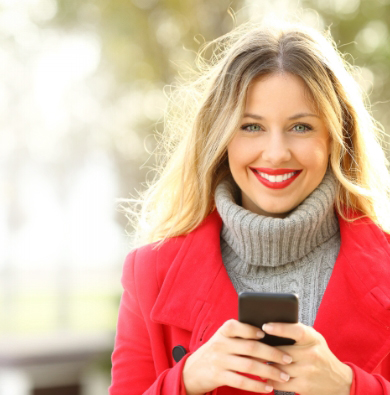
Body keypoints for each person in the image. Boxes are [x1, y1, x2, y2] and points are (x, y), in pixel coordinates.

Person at [109, 19, 390, 395]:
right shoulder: (150, 274)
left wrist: (349, 387)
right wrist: (187, 379)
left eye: (301, 127)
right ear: (221, 137)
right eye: (251, 127)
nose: (276, 153)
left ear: (337, 137)